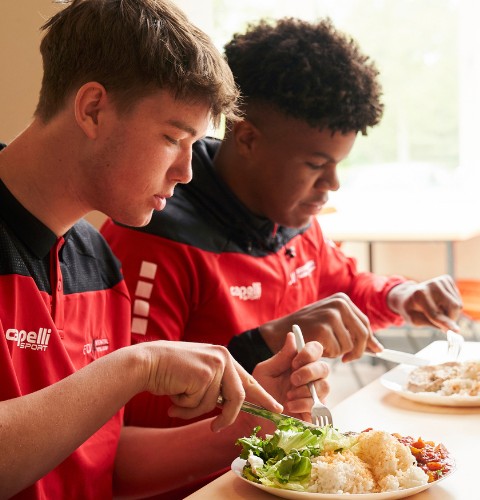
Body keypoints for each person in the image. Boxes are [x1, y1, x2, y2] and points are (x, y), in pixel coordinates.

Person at [0, 2, 331, 498]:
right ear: (93, 109)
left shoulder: (97, 260)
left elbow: (100, 460)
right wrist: (138, 366)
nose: (186, 172)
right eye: (173, 138)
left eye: (195, 145)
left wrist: (255, 421)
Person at [101, 16, 463, 425]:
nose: (332, 183)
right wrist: (265, 344)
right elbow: (127, 408)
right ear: (248, 138)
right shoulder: (153, 233)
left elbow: (345, 292)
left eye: (338, 164)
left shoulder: (290, 217)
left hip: (279, 448)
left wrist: (402, 296)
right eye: (316, 164)